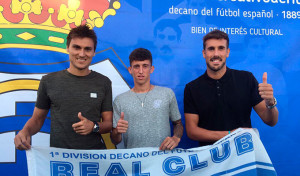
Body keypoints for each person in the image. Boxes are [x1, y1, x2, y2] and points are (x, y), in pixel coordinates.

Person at [14, 25, 113, 150]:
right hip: (60, 160)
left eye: (87, 49)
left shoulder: (103, 82)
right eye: (77, 47)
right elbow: (37, 119)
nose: (82, 54)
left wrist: (93, 126)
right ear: (67, 48)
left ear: (94, 52)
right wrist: (25, 132)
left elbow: (109, 124)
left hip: (94, 160)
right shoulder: (48, 81)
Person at [184, 30, 279, 146]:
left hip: (244, 155)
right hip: (210, 159)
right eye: (211, 49)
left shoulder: (246, 79)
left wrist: (270, 103)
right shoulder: (192, 88)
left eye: (221, 48)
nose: (216, 54)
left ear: (227, 52)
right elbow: (192, 131)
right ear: (204, 53)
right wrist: (231, 134)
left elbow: (271, 121)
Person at [110, 48, 183, 150]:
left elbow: (178, 124)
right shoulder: (120, 100)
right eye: (136, 66)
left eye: (145, 66)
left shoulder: (167, 93)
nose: (141, 71)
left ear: (151, 69)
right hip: (134, 161)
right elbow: (115, 140)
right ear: (130, 70)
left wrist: (176, 138)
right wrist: (117, 131)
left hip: (162, 158)